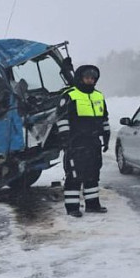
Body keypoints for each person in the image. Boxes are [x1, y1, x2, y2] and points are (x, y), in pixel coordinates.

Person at [56, 62, 110, 217]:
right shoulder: (70, 95)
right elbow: (62, 119)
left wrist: (106, 137)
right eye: (87, 77)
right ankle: (72, 208)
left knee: (93, 174)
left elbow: (104, 118)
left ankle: (93, 205)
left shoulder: (98, 95)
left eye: (93, 78)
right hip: (76, 143)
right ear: (80, 78)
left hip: (93, 143)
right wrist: (66, 139)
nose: (90, 80)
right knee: (74, 176)